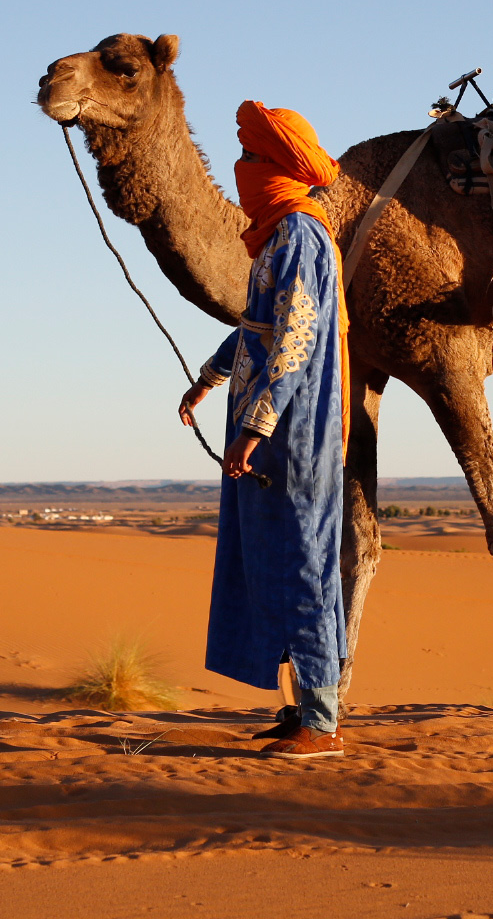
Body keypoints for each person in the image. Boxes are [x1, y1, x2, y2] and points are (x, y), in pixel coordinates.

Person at [178, 101, 351, 759]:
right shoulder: (279, 237)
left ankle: (323, 723)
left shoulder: (299, 237)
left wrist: (255, 425)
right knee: (283, 562)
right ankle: (305, 707)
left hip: (295, 435)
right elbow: (261, 326)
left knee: (304, 566)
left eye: (252, 158)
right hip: (280, 427)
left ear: (276, 167)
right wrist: (212, 375)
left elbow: (297, 340)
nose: (240, 169)